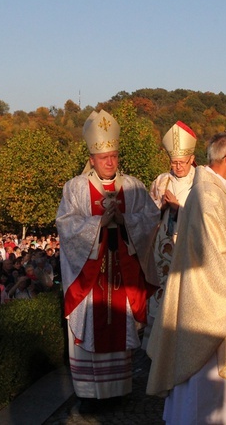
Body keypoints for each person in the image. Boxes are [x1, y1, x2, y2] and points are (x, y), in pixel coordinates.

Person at [146, 132, 226, 424]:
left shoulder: (209, 189)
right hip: (207, 295)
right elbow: (214, 248)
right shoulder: (208, 193)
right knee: (208, 364)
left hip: (205, 287)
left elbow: (209, 236)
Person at [56, 109, 159, 411]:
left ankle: (119, 390)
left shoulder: (134, 186)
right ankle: (89, 394)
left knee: (120, 326)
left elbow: (151, 218)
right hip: (90, 276)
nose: (110, 162)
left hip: (122, 272)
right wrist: (98, 224)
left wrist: (125, 220)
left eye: (114, 156)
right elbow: (65, 225)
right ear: (91, 158)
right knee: (91, 327)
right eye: (104, 158)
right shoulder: (75, 187)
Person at [144, 121, 197, 347]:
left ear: (192, 159)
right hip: (162, 250)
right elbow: (146, 214)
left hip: (189, 248)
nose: (177, 167)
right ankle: (157, 346)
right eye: (174, 162)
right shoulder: (161, 181)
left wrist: (178, 209)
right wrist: (162, 206)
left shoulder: (201, 182)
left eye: (182, 162)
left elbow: (204, 217)